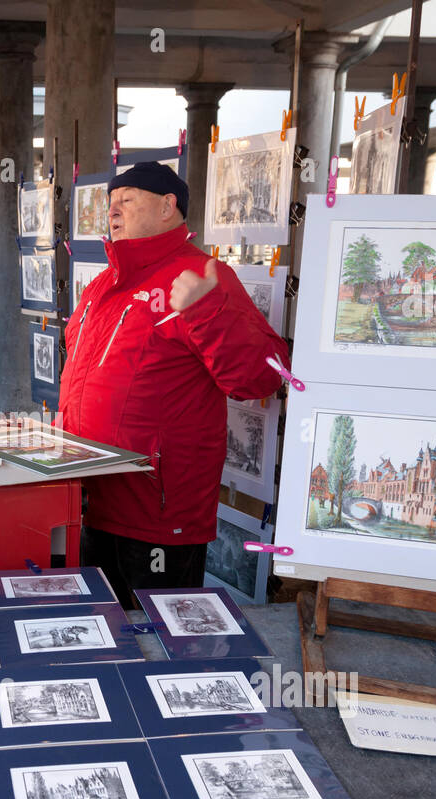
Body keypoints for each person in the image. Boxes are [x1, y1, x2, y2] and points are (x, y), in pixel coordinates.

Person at [56, 161, 290, 608]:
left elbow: (263, 374)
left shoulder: (205, 276)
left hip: (157, 513)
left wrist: (207, 313)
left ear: (168, 207)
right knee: (102, 632)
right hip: (90, 499)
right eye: (111, 202)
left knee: (160, 646)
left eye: (127, 199)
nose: (114, 210)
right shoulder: (103, 284)